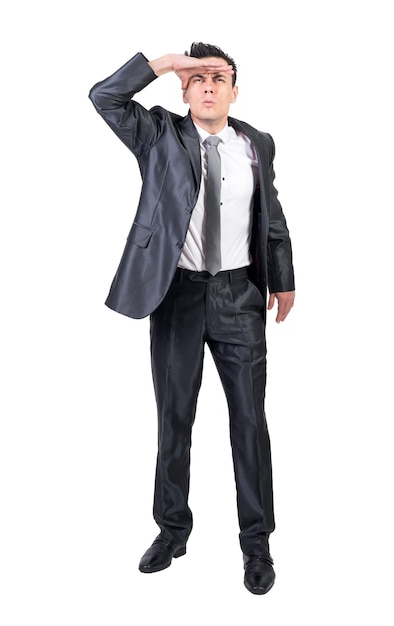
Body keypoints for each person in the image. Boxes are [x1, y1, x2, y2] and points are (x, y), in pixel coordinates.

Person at [89, 42, 295, 595]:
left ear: (234, 89)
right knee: (174, 418)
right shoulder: (158, 135)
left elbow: (271, 215)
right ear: (183, 90)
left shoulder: (257, 144)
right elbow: (104, 96)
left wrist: (284, 278)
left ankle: (257, 545)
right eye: (196, 78)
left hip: (239, 298)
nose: (207, 85)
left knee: (250, 423)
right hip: (176, 297)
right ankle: (171, 530)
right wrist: (161, 63)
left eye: (217, 77)